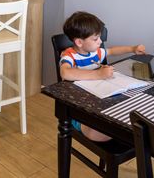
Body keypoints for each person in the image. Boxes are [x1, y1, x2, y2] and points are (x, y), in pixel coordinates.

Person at [60, 11, 146, 141]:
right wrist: (98, 74)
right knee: (101, 133)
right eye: (95, 39)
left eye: (99, 37)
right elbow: (65, 73)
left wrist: (132, 48)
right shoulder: (69, 56)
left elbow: (112, 50)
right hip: (78, 110)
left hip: (97, 102)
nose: (100, 41)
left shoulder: (95, 52)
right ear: (79, 42)